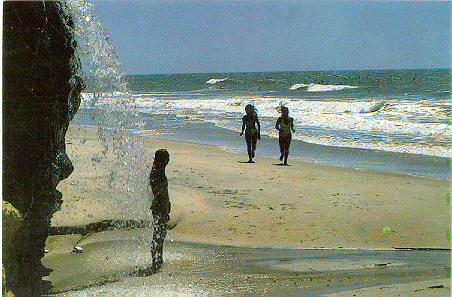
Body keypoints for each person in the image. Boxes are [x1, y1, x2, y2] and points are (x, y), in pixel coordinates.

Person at [149, 149, 171, 270]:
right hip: (159, 207)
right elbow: (158, 192)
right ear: (163, 160)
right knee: (159, 233)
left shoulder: (158, 171)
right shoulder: (157, 173)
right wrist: (163, 207)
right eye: (167, 158)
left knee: (160, 233)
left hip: (161, 206)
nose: (169, 160)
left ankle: (158, 258)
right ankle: (156, 260)